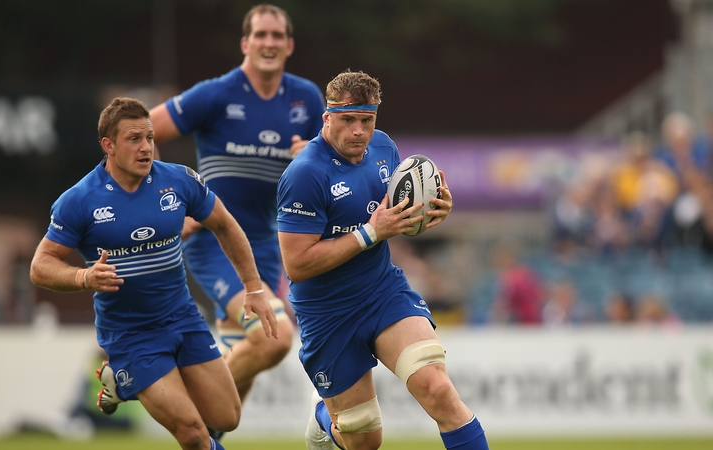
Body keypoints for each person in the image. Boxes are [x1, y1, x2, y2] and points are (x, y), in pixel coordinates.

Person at [29, 97, 279, 450]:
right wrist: (83, 278)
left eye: (149, 137)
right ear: (109, 146)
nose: (146, 147)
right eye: (134, 139)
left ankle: (120, 382)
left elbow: (225, 224)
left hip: (183, 319)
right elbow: (40, 266)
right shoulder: (79, 200)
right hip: (131, 335)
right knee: (193, 433)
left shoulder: (178, 180)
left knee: (226, 419)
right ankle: (127, 372)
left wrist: (254, 288)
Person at [277, 70, 489, 450]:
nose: (359, 131)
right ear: (327, 118)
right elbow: (297, 265)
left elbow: (396, 219)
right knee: (363, 438)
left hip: (381, 292)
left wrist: (431, 211)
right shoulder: (305, 174)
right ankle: (324, 417)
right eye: (348, 120)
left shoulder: (385, 148)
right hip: (328, 314)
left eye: (367, 120)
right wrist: (371, 233)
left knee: (438, 389)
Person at [148, 3, 325, 431]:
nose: (268, 43)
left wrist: (317, 156)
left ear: (289, 45)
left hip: (267, 246)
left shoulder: (307, 99)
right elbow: (144, 131)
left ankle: (206, 432)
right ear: (245, 43)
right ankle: (173, 390)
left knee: (227, 414)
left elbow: (334, 171)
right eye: (260, 35)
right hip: (214, 244)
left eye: (276, 36)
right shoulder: (216, 94)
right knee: (275, 338)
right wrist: (168, 204)